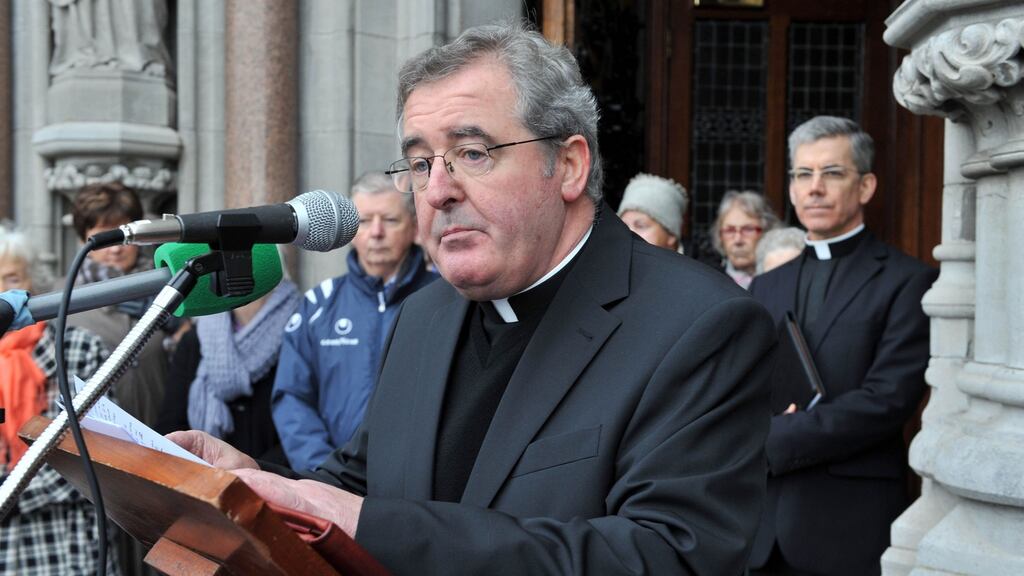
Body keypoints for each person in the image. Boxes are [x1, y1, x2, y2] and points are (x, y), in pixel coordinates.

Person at [171, 21, 775, 575]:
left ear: (566, 165)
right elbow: (359, 482)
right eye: (418, 162)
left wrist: (365, 523)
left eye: (472, 153)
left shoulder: (698, 324)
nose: (435, 191)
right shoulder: (426, 316)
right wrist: (255, 487)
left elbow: (667, 557)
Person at [747, 116, 937, 576]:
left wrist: (773, 437)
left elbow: (887, 401)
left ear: (866, 186)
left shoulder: (906, 281)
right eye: (802, 175)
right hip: (760, 527)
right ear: (791, 189)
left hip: (848, 523)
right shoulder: (764, 286)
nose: (814, 188)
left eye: (832, 173)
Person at [271, 172, 438, 472]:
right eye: (363, 221)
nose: (375, 233)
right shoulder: (318, 304)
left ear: (414, 227)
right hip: (333, 480)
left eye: (389, 220)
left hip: (421, 482)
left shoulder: (447, 299)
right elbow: (292, 397)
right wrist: (323, 472)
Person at [0, 224, 120, 575]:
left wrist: (9, 496)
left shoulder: (78, 349)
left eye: (10, 278)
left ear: (32, 284)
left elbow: (95, 449)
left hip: (65, 539)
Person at [157, 275, 300, 465]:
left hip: (282, 480)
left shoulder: (303, 331)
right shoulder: (196, 340)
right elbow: (171, 424)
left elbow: (310, 424)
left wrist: (261, 471)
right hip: (207, 480)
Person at [67, 182, 172, 428]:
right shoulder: (65, 300)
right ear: (84, 238)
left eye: (122, 237)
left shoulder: (170, 288)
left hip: (166, 438)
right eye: (104, 236)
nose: (115, 249)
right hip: (96, 442)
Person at [710, 190, 780, 289]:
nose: (738, 240)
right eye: (730, 230)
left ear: (767, 232)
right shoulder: (711, 279)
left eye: (748, 229)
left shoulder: (779, 279)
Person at [616, 172, 688, 253]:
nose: (628, 234)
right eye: (623, 226)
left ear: (671, 234)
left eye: (640, 226)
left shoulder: (695, 265)